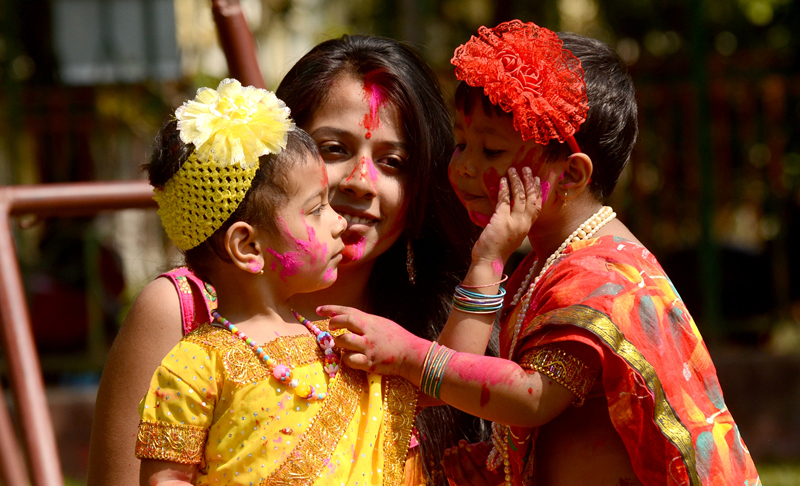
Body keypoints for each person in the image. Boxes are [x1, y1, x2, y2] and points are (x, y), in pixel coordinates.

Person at [316, 21, 761, 485]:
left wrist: (408, 352)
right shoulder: (543, 264)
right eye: (462, 143)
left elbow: (531, 398)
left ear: (569, 176)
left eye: (490, 150)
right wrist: (507, 465)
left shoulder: (601, 275)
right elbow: (461, 393)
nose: (464, 166)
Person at [87, 35, 482, 486]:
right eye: (334, 149)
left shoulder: (427, 323)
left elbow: (467, 374)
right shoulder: (184, 315)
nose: (362, 182)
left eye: (393, 161)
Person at [134, 78, 426, 484]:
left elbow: (442, 381)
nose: (339, 220)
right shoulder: (194, 365)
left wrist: (484, 268)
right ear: (247, 246)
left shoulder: (336, 341)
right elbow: (165, 478)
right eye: (317, 209)